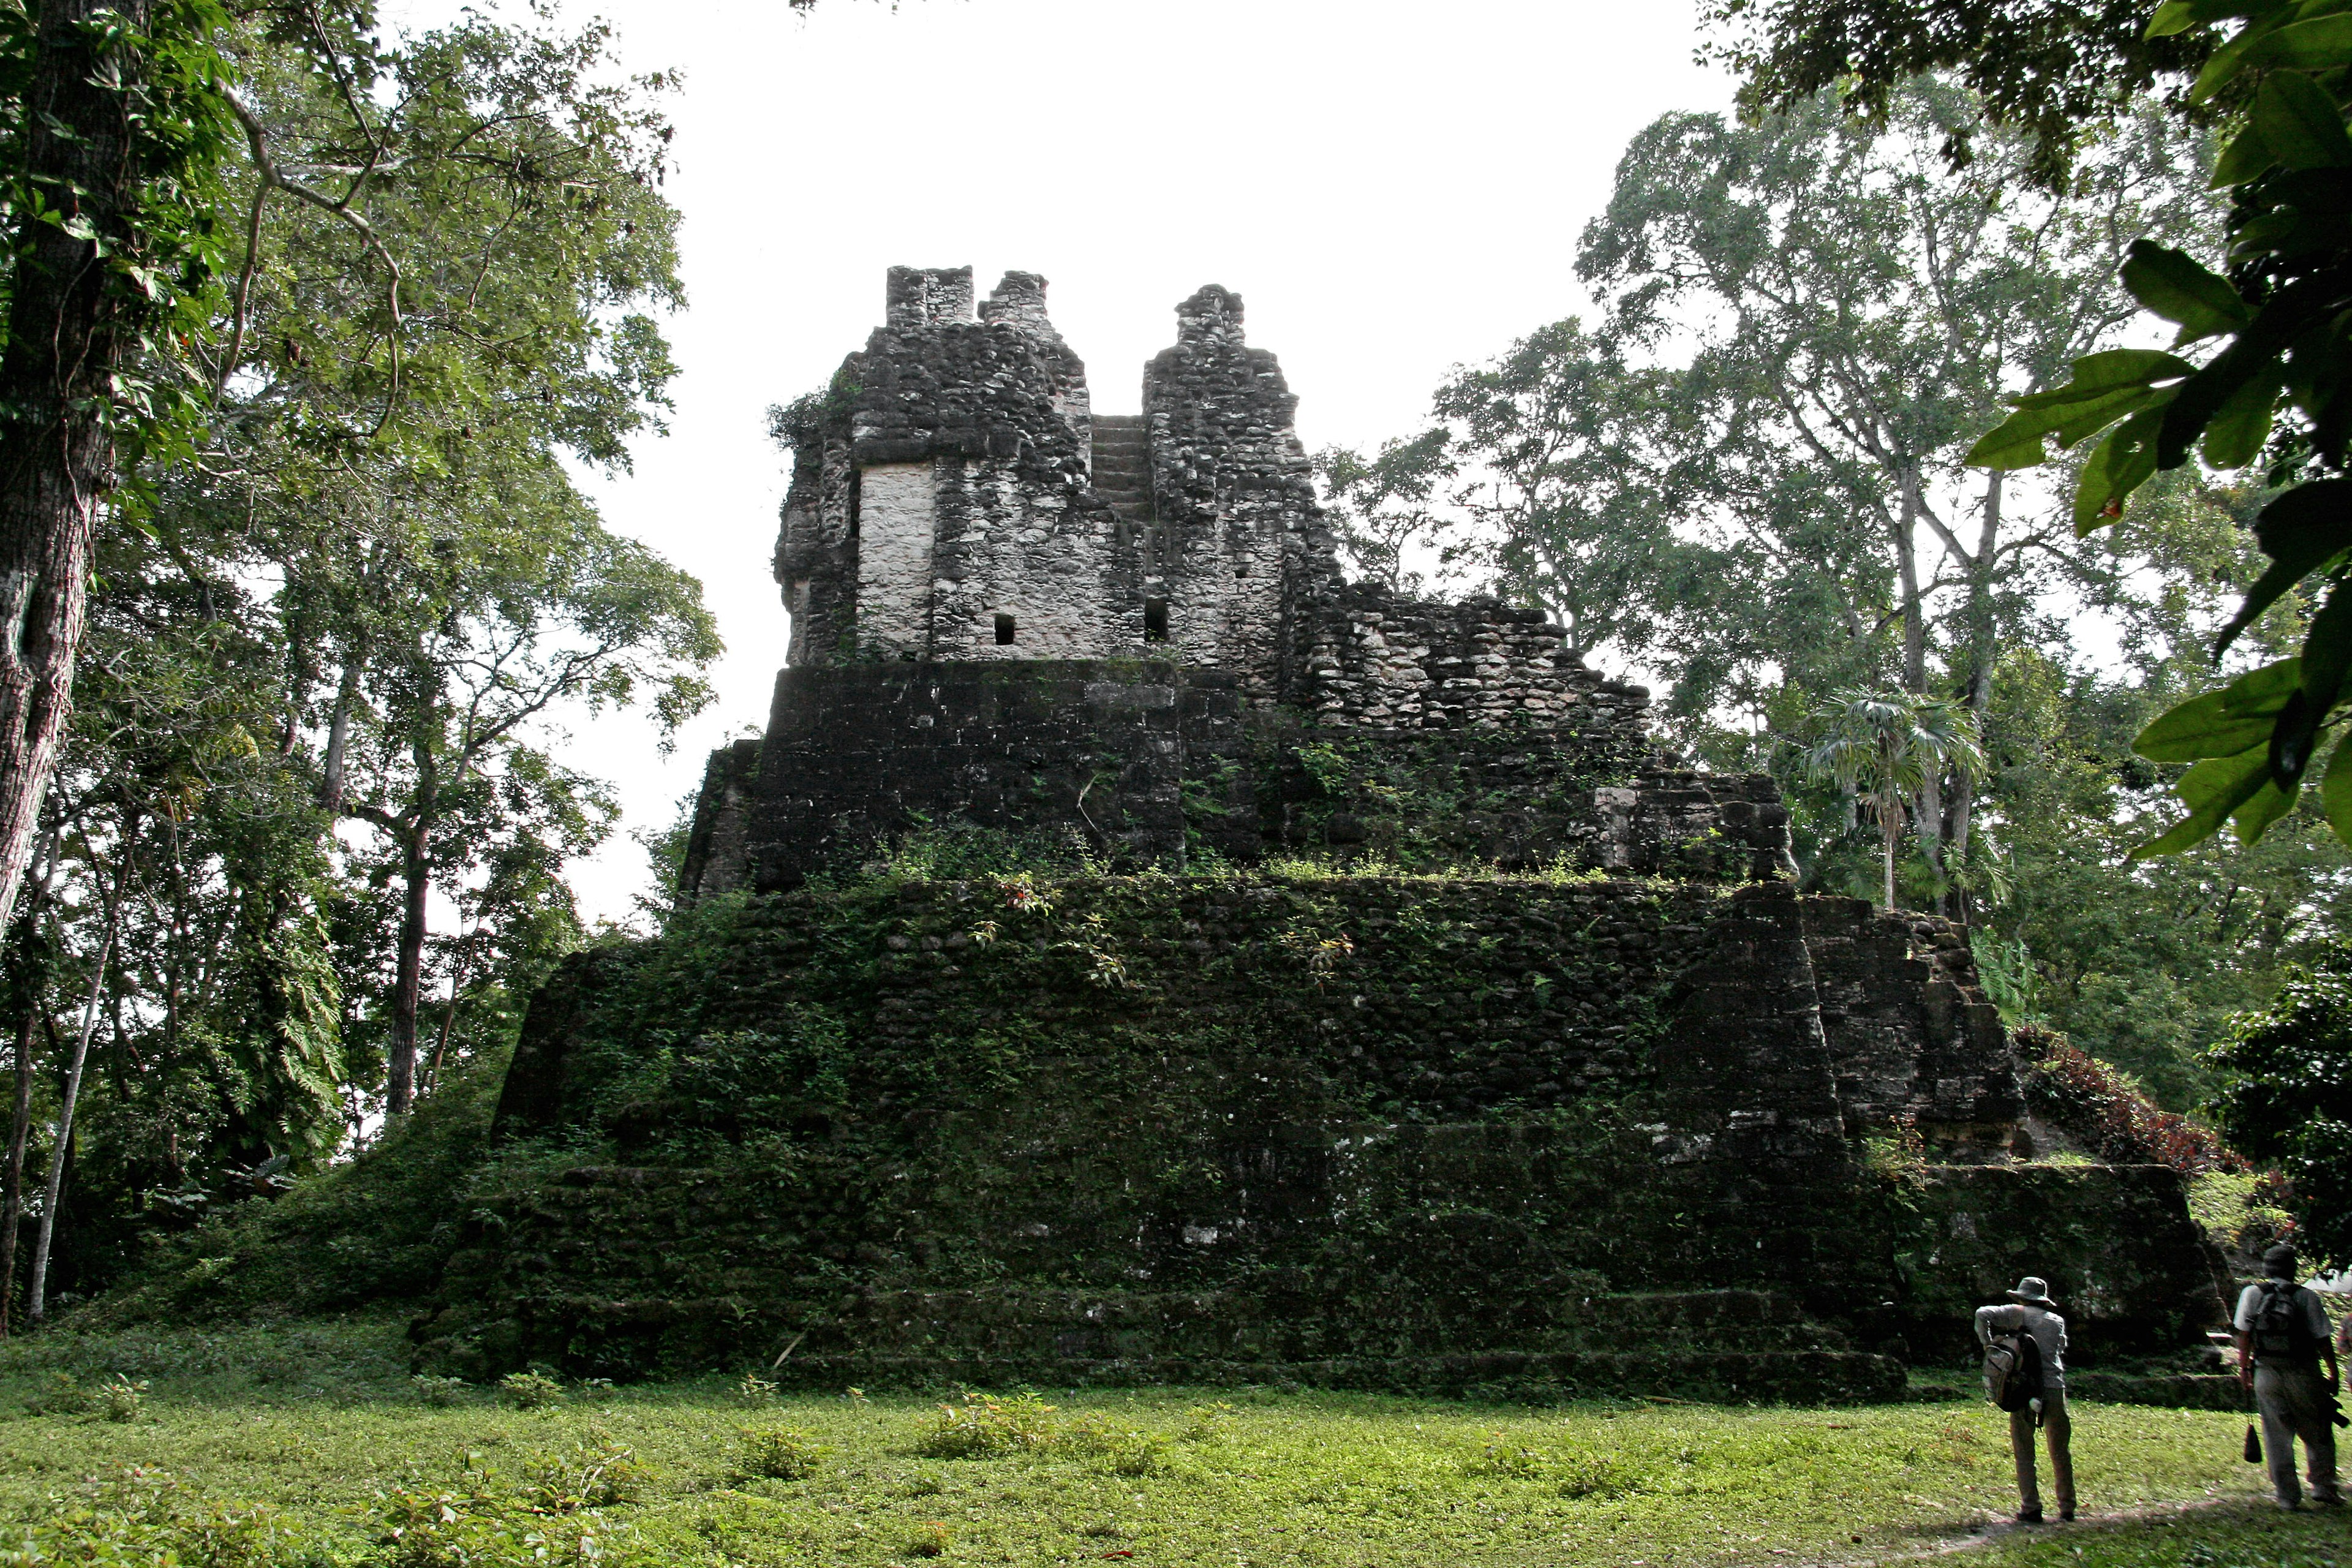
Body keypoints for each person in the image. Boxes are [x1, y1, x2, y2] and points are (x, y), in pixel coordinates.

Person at [2234, 1243, 2342, 1510]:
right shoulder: (2305, 1297)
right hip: (2303, 1372)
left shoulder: (2251, 1294)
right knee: (2318, 1430)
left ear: (2266, 1268)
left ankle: (2287, 1496)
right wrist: (2333, 1371)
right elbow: (2323, 1340)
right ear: (2293, 1269)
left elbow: (2243, 1335)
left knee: (2276, 1435)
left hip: (2265, 1372)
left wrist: (2244, 1370)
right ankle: (2323, 1487)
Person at [1976, 1276, 2075, 1525]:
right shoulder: (2057, 1320)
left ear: (2021, 1297)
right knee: (2060, 1450)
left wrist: (1988, 1345)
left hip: (2023, 1387)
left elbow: (1982, 1314)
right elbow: (2060, 1349)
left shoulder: (2016, 1312)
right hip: (2054, 1387)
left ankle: (2031, 1507)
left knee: (2024, 1449)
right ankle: (2067, 1506)